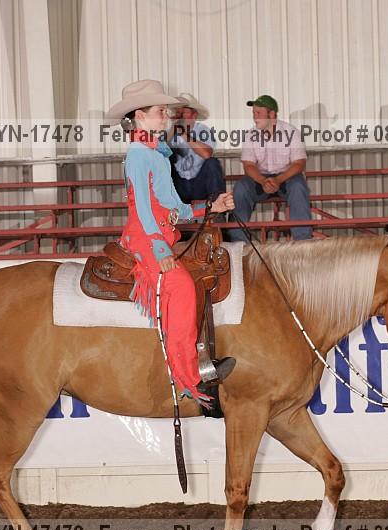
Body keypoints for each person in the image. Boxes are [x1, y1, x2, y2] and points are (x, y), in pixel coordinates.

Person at [105, 80, 236, 401]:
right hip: (145, 239)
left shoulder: (157, 153)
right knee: (181, 287)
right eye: (161, 112)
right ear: (140, 116)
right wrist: (160, 248)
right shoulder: (139, 154)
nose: (167, 117)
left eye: (166, 111)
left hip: (159, 234)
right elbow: (142, 208)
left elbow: (175, 209)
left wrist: (210, 208)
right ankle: (189, 377)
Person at [230, 94, 312, 242]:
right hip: (260, 179)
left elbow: (299, 164)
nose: (255, 117)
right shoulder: (250, 135)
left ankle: (303, 241)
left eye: (258, 113)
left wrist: (278, 180)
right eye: (253, 113)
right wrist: (263, 181)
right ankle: (239, 242)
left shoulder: (291, 132)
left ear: (272, 114)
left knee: (298, 187)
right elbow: (248, 165)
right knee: (241, 188)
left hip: (286, 177)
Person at [169, 93, 226, 204]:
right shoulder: (170, 132)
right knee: (164, 160)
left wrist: (183, 133)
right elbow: (160, 151)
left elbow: (207, 154)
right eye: (178, 112)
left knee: (212, 163)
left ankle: (218, 209)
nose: (181, 116)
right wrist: (172, 129)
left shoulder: (203, 130)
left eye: (184, 113)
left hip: (198, 184)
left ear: (194, 115)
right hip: (179, 185)